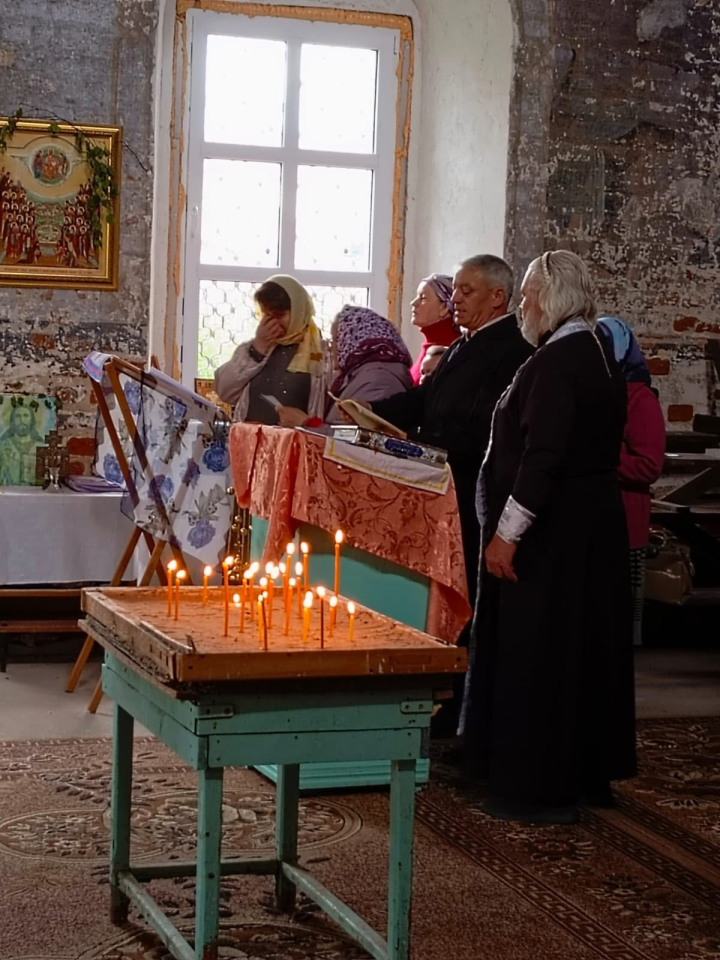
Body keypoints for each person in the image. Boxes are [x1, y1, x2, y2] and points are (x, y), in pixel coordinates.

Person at [462, 250, 636, 825]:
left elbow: (543, 458)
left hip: (553, 533)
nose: (522, 307)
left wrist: (506, 534)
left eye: (529, 296)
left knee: (542, 655)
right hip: (584, 526)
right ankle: (581, 768)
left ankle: (535, 784)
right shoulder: (592, 353)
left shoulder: (560, 362)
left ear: (552, 299)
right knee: (581, 649)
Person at [371, 254, 533, 606]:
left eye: (466, 290)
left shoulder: (514, 353)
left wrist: (413, 442)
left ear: (497, 297)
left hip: (473, 488)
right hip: (441, 482)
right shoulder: (463, 343)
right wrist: (369, 412)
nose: (455, 298)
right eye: (455, 289)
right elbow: (425, 398)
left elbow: (486, 430)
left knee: (469, 591)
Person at [598, 316, 666, 645]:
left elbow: (649, 465)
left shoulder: (640, 399)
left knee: (617, 625)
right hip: (597, 517)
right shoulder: (598, 391)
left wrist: (601, 456)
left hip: (625, 519)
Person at [277, 305, 413, 428]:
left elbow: (357, 444)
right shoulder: (359, 375)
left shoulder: (378, 381)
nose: (331, 348)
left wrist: (305, 423)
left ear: (354, 340)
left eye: (336, 339)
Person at [214, 275, 326, 424]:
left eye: (280, 315)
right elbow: (225, 392)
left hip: (296, 444)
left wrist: (307, 423)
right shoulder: (255, 348)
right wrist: (257, 349)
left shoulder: (323, 354)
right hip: (250, 441)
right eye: (267, 315)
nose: (273, 323)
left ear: (299, 311)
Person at [408, 274, 459, 384]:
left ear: (444, 308)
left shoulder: (450, 351)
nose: (413, 303)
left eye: (423, 298)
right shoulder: (430, 344)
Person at [0, 404, 45, 485]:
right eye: (17, 416)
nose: (22, 420)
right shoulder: (3, 446)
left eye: (26, 416)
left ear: (32, 420)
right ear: (12, 421)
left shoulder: (41, 447)